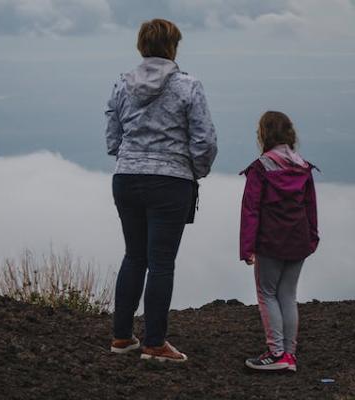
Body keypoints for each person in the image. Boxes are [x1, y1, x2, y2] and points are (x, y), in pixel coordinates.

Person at [105, 18, 217, 362]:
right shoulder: (188, 86)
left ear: (142, 46)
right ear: (173, 47)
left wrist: (130, 158)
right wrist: (192, 171)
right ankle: (155, 343)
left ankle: (122, 337)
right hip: (170, 181)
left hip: (126, 177)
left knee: (134, 255)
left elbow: (113, 139)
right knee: (161, 263)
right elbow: (205, 140)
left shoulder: (122, 85)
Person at [239, 111, 319, 372]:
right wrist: (312, 238)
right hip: (298, 241)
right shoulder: (303, 167)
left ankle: (276, 354)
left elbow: (251, 210)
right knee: (288, 295)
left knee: (267, 294)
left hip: (270, 243)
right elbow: (310, 207)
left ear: (264, 135)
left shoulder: (260, 169)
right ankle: (289, 355)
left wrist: (247, 247)